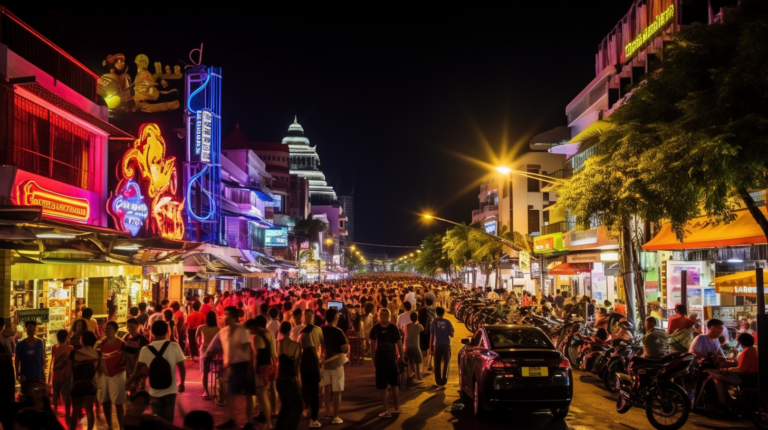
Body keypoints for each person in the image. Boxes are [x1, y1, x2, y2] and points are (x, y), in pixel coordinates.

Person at [128, 320, 186, 423]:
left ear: (152, 332)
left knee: (157, 422)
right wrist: (182, 383)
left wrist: (127, 382)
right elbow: (181, 366)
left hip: (154, 391)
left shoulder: (145, 349)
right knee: (168, 422)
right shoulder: (174, 346)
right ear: (167, 331)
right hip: (170, 390)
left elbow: (137, 371)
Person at [216, 306, 255, 430]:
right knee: (230, 394)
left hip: (244, 365)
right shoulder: (223, 332)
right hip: (232, 367)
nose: (224, 317)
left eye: (226, 314)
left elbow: (249, 351)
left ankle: (249, 422)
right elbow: (225, 351)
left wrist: (249, 369)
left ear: (233, 317)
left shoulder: (242, 330)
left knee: (249, 395)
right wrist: (224, 365)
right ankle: (230, 419)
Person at [97, 321, 134, 430]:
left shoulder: (121, 343)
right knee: (105, 401)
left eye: (109, 329)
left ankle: (121, 427)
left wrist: (132, 375)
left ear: (115, 331)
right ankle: (110, 426)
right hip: (104, 376)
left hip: (118, 375)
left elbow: (129, 359)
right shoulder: (102, 343)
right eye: (106, 329)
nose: (107, 331)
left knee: (118, 403)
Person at [708, 332, 758, 407]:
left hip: (746, 378)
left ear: (740, 342)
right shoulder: (755, 350)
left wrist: (728, 369)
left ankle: (722, 402)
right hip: (754, 377)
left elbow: (742, 370)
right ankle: (728, 398)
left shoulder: (746, 352)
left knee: (716, 376)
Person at [370, 308, 404, 418]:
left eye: (386, 315)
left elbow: (399, 344)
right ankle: (386, 409)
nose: (384, 316)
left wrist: (402, 357)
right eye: (382, 315)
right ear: (379, 316)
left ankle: (396, 407)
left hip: (391, 360)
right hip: (380, 360)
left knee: (394, 384)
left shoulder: (393, 328)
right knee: (382, 386)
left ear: (389, 316)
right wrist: (373, 358)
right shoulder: (375, 329)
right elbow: (372, 344)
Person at [247, 316, 277, 430]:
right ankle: (268, 420)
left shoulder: (257, 338)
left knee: (263, 396)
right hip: (269, 364)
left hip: (262, 368)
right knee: (265, 394)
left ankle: (268, 423)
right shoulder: (267, 333)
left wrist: (254, 369)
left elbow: (257, 357)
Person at [321, 308, 348, 425]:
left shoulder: (320, 330)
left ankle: (327, 412)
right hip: (336, 363)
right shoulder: (338, 331)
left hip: (324, 363)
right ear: (335, 317)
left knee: (325, 388)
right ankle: (335, 416)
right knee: (337, 390)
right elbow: (344, 348)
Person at [298, 308, 324, 428]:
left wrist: (322, 358)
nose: (307, 318)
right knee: (309, 390)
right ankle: (311, 415)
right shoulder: (302, 332)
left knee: (311, 390)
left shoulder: (305, 332)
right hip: (309, 363)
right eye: (305, 316)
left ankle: (311, 415)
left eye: (308, 316)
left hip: (310, 362)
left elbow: (322, 346)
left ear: (312, 318)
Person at [70, 331, 100, 430]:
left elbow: (69, 371)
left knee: (75, 411)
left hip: (76, 386)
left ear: (82, 341)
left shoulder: (74, 353)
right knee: (90, 411)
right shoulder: (98, 354)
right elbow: (102, 371)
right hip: (91, 386)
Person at [276, 321, 302, 430]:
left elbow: (276, 361)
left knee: (285, 406)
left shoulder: (278, 344)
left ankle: (278, 427)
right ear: (290, 330)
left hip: (279, 379)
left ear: (280, 331)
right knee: (298, 407)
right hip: (291, 380)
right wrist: (299, 383)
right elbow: (297, 366)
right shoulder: (296, 346)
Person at [196, 310, 221, 398]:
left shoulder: (201, 327)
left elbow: (197, 338)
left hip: (205, 350)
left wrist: (200, 345)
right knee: (218, 371)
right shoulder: (218, 329)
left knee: (205, 372)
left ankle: (206, 391)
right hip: (215, 350)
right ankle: (219, 390)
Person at [51, 329, 74, 421]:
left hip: (56, 374)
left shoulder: (54, 347)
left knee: (55, 394)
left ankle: (55, 412)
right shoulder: (71, 348)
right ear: (66, 337)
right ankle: (67, 412)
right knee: (66, 395)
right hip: (67, 374)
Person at [429, 307, 454, 389]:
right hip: (446, 344)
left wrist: (430, 348)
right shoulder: (448, 322)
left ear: (436, 313)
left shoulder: (433, 323)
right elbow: (452, 334)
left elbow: (431, 336)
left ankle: (438, 381)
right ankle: (444, 380)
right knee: (446, 363)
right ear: (443, 313)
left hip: (437, 345)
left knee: (437, 363)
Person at [404, 311, 424, 382]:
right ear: (417, 318)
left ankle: (410, 375)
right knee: (418, 361)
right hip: (415, 346)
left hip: (407, 346)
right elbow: (422, 329)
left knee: (410, 361)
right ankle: (418, 375)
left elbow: (403, 330)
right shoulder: (418, 326)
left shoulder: (406, 326)